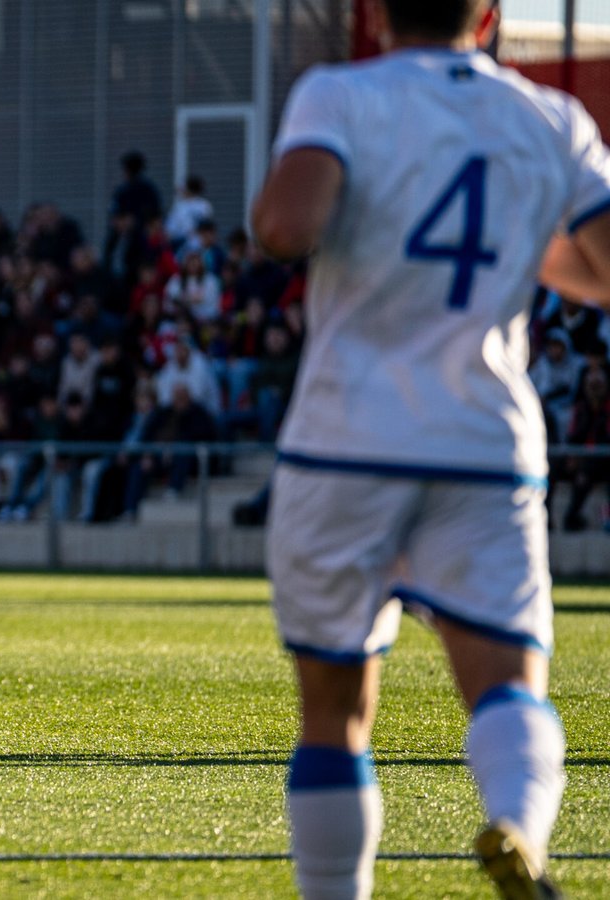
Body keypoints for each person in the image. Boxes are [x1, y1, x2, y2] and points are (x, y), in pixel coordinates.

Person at [249, 1, 610, 894]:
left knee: (334, 713)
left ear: (374, 14)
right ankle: (518, 825)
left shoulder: (339, 93)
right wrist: (516, 246)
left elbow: (285, 226)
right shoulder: (551, 118)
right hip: (482, 442)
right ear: (486, 16)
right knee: (509, 684)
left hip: (345, 441)